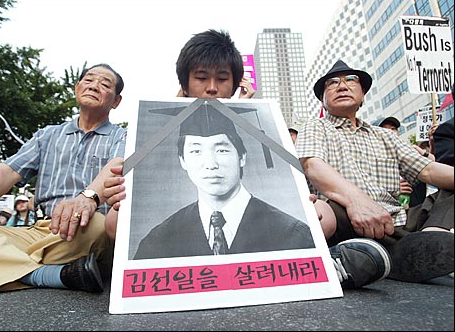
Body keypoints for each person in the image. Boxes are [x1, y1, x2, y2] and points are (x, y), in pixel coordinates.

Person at [104, 29, 392, 290]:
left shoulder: (258, 119)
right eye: (201, 78)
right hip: (183, 238)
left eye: (222, 78)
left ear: (242, 156)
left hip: (269, 219)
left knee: (321, 217)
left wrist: (299, 197)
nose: (213, 88)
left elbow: (293, 170)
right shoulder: (161, 125)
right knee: (116, 222)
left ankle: (319, 265)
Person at [0, 63, 126, 295]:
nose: (94, 86)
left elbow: (117, 165)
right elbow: (7, 171)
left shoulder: (122, 137)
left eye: (105, 84)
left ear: (116, 101)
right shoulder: (47, 135)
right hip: (39, 231)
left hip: (83, 233)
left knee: (95, 224)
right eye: (88, 80)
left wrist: (87, 198)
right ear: (77, 88)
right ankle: (46, 275)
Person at [296, 59, 454, 283]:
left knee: (449, 191)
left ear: (363, 94)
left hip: (397, 220)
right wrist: (357, 201)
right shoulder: (316, 127)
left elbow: (428, 171)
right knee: (319, 211)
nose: (341, 86)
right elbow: (312, 165)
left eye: (351, 80)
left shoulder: (385, 136)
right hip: (346, 217)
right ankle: (386, 254)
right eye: (332, 83)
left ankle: (431, 239)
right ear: (323, 99)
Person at [134, 104, 315, 259]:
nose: (211, 165)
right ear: (182, 161)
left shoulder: (292, 233)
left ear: (242, 156)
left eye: (221, 150)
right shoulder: (159, 240)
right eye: (196, 151)